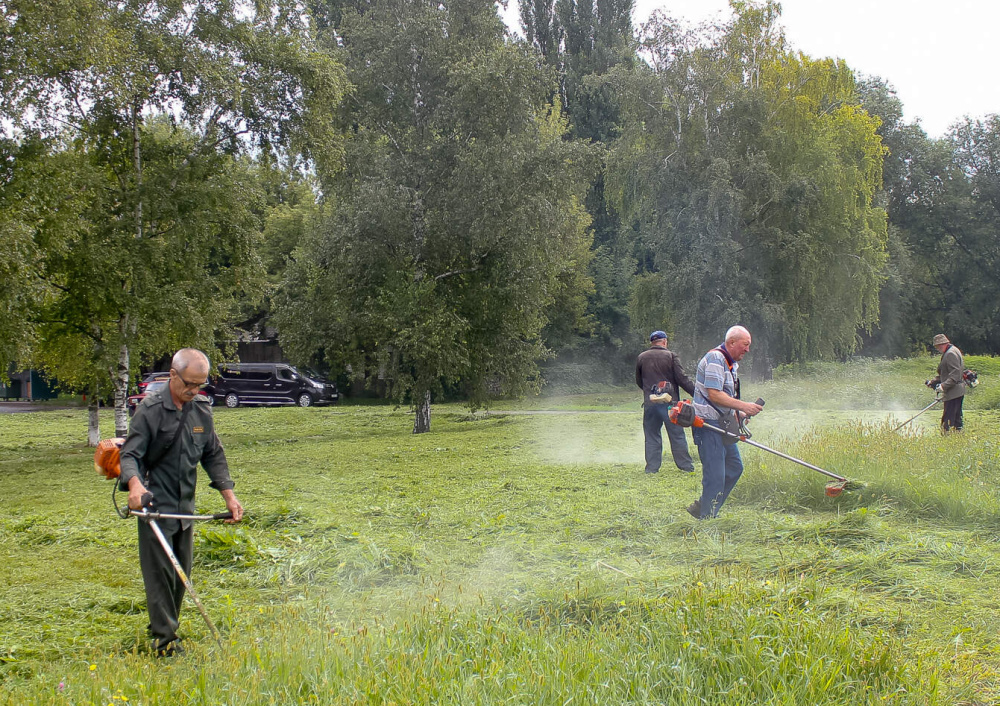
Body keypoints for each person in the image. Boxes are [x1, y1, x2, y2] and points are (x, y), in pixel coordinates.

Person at [118, 348, 244, 656]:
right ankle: (164, 641)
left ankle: (164, 623)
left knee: (180, 573)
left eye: (199, 385)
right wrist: (134, 484)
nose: (194, 391)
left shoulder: (200, 409)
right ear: (173, 375)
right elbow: (130, 455)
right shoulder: (150, 410)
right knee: (160, 573)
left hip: (185, 507)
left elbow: (212, 453)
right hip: (154, 506)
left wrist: (228, 494)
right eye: (189, 384)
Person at [687, 326, 763, 519]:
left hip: (722, 424)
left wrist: (738, 414)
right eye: (745, 345)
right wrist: (744, 406)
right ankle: (707, 518)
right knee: (715, 475)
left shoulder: (731, 365)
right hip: (708, 425)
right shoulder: (715, 359)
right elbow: (714, 394)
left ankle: (704, 506)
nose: (747, 349)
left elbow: (725, 396)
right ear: (731, 343)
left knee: (734, 468)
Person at [636, 331, 696, 473]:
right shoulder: (671, 356)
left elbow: (639, 381)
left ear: (652, 342)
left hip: (650, 403)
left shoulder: (642, 357)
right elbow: (682, 379)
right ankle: (686, 467)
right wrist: (697, 393)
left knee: (651, 436)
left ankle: (652, 468)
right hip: (670, 404)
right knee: (677, 435)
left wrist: (650, 393)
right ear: (664, 342)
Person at [927, 333, 965, 432]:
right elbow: (946, 373)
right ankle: (957, 439)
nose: (938, 349)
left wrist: (943, 386)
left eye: (938, 346)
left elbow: (955, 374)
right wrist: (933, 382)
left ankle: (949, 440)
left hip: (954, 393)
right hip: (956, 392)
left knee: (948, 422)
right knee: (956, 421)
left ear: (942, 344)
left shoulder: (950, 354)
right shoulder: (953, 350)